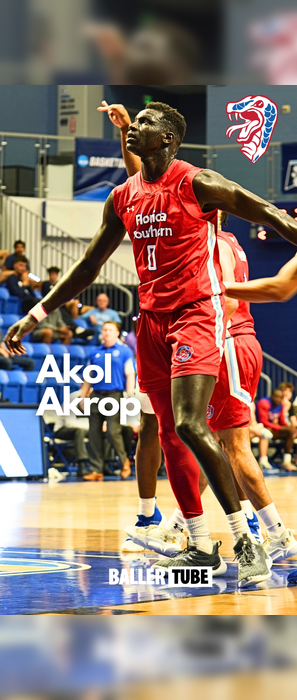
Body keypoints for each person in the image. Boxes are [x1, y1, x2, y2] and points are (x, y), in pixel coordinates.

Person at [7, 102, 297, 585]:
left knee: (189, 422)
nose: (133, 128)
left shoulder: (199, 182)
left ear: (167, 139)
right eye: (133, 122)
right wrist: (37, 312)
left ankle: (246, 538)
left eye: (145, 123)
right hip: (150, 323)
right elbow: (88, 266)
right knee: (164, 432)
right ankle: (201, 547)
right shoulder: (123, 196)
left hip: (196, 316)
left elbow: (270, 212)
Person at [126, 216, 297, 566]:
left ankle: (276, 535)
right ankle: (178, 525)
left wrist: (194, 324)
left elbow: (232, 300)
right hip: (232, 344)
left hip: (228, 343)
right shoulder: (228, 240)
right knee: (209, 443)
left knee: (233, 446)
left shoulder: (212, 243)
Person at [80, 321, 135, 481]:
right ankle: (96, 469)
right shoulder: (95, 352)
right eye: (105, 329)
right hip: (96, 395)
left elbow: (130, 374)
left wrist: (130, 396)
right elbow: (88, 376)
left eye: (111, 329)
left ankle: (123, 461)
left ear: (117, 333)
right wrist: (83, 396)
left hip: (114, 395)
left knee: (112, 432)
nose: (107, 332)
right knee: (94, 433)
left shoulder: (124, 352)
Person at [255, 389, 297, 471]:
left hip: (272, 429)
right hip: (260, 428)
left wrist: (289, 428)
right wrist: (280, 428)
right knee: (267, 431)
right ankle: (263, 461)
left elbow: (281, 421)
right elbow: (263, 422)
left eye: (280, 397)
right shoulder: (264, 403)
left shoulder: (280, 405)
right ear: (271, 396)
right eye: (276, 397)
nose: (278, 399)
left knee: (290, 432)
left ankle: (286, 462)